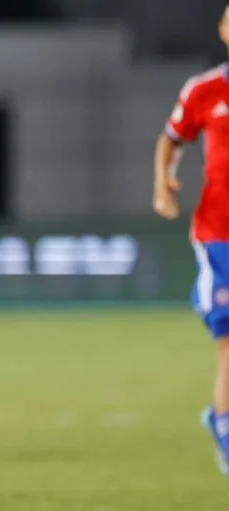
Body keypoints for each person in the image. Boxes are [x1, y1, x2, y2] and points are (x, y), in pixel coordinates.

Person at [154, 2, 229, 479]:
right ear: (223, 29)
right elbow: (170, 139)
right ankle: (224, 426)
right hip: (219, 235)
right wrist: (163, 183)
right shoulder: (205, 89)